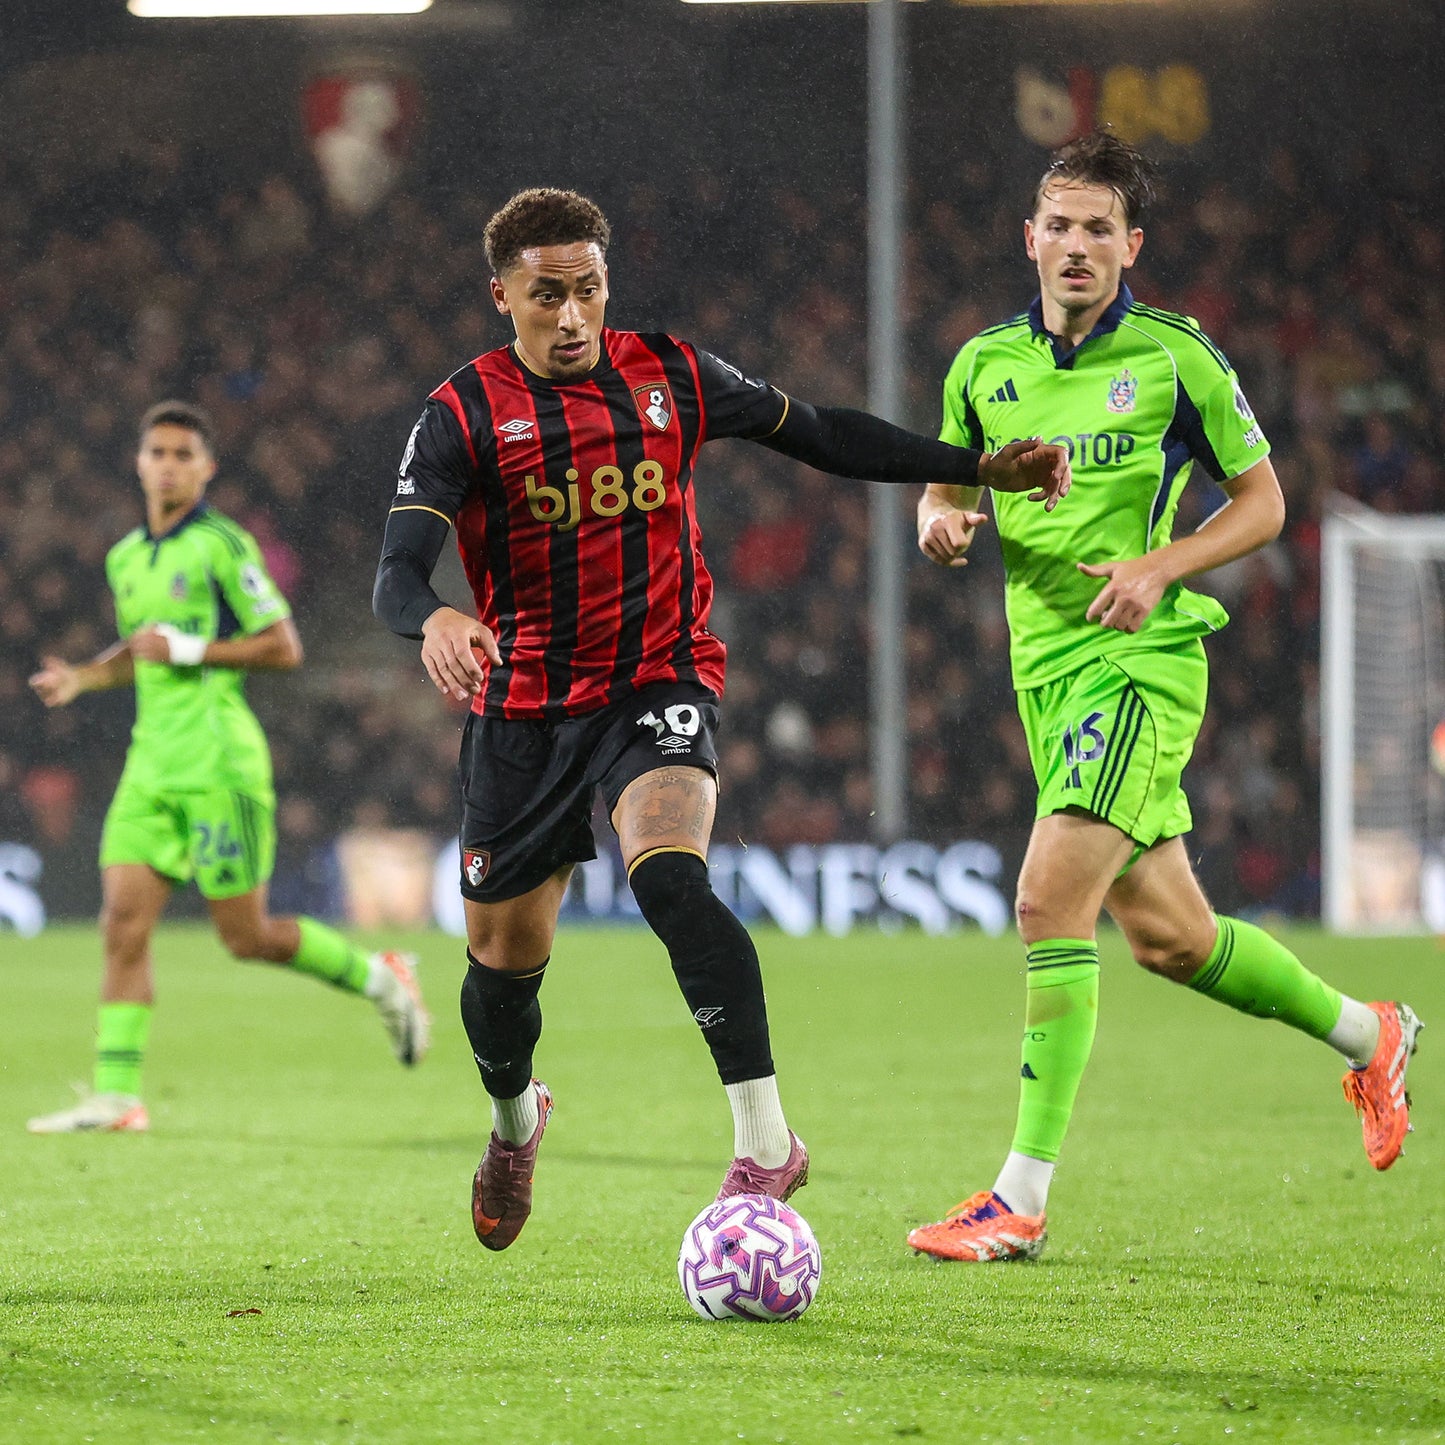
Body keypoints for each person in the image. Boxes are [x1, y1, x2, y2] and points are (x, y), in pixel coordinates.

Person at [372, 186, 1070, 1252]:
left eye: (588, 289)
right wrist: (431, 621)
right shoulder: (461, 411)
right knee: (500, 977)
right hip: (524, 713)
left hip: (657, 681)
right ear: (502, 296)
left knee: (669, 876)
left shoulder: (672, 374)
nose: (571, 316)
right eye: (545, 295)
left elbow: (825, 436)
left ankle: (765, 1141)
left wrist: (973, 466)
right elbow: (393, 572)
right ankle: (516, 1121)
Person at [907, 131, 1422, 1263]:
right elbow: (940, 490)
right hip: (1044, 673)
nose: (1077, 244)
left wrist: (1158, 565)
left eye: (1101, 227)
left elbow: (1264, 503)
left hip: (1141, 664)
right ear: (1027, 238)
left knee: (1048, 902)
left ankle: (1018, 1198)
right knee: (1172, 940)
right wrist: (939, 523)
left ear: (1129, 244)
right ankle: (1367, 1030)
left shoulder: (1176, 357)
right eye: (1060, 223)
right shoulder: (979, 364)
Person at [27, 401, 429, 1135]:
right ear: (139, 462)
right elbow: (141, 650)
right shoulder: (125, 557)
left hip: (219, 764)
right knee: (121, 923)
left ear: (206, 468)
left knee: (246, 937)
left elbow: (283, 646)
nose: (170, 464)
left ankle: (381, 976)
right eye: (159, 452)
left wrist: (190, 650)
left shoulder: (222, 544)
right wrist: (85, 678)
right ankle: (118, 1096)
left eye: (185, 454)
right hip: (151, 767)